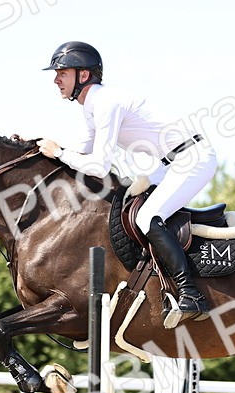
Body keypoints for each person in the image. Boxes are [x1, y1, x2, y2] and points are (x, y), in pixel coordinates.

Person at [37, 41, 216, 324]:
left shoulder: (106, 102)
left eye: (62, 72)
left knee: (147, 217)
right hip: (168, 164)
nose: (55, 78)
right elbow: (79, 152)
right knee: (129, 209)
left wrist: (58, 152)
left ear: (83, 75)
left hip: (192, 159)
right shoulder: (91, 107)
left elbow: (97, 165)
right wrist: (35, 146)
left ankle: (191, 294)